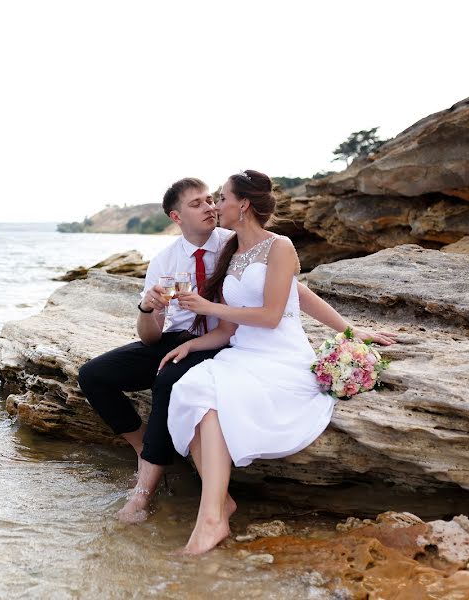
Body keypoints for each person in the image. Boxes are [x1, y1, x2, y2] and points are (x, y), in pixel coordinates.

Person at [78, 177, 395, 524]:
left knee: (168, 383)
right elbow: (151, 338)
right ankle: (143, 450)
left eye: (212, 199)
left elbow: (293, 293)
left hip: (224, 340)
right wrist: (148, 310)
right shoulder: (165, 261)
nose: (210, 207)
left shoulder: (237, 242)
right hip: (179, 337)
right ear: (176, 216)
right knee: (94, 375)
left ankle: (145, 491)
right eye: (197, 203)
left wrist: (351, 330)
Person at [162, 169, 353, 555]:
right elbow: (230, 328)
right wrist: (193, 346)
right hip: (243, 352)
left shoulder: (280, 247)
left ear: (243, 204)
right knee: (189, 389)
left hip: (279, 356)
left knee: (214, 402)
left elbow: (271, 314)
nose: (216, 205)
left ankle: (211, 519)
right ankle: (221, 504)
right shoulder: (233, 251)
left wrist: (350, 332)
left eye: (222, 198)